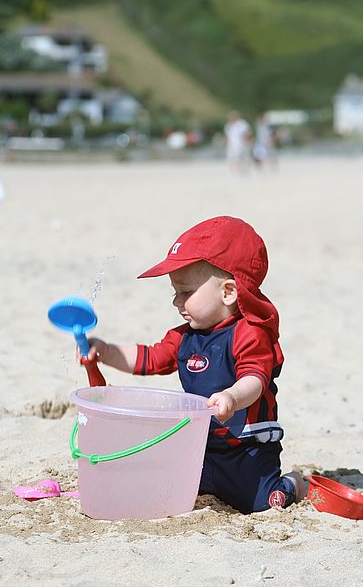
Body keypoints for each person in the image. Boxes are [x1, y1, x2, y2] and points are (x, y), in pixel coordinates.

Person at [80, 216, 307, 513]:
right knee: (165, 488)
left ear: (228, 292)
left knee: (263, 503)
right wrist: (106, 352)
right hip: (198, 445)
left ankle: (295, 483)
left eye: (186, 292)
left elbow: (255, 379)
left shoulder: (249, 333)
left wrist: (232, 397)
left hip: (246, 449)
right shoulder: (185, 337)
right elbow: (150, 359)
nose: (177, 301)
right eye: (175, 292)